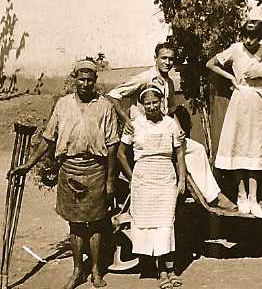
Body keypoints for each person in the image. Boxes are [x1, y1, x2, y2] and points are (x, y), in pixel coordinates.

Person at [8, 60, 118, 289]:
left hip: (95, 170)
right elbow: (49, 138)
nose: (85, 84)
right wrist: (27, 165)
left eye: (90, 79)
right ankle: (78, 271)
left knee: (96, 223)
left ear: (95, 81)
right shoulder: (63, 104)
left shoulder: (105, 106)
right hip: (69, 170)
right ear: (74, 79)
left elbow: (113, 146)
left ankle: (96, 270)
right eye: (81, 79)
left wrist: (109, 181)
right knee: (76, 224)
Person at [107, 43, 236, 211]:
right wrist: (126, 120)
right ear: (156, 59)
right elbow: (114, 94)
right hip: (144, 137)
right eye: (164, 58)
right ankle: (211, 196)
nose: (167, 62)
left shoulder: (168, 83)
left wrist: (179, 129)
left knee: (196, 149)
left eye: (171, 59)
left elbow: (170, 110)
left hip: (164, 131)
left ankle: (213, 196)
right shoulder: (145, 78)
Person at [118, 84, 187, 288]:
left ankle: (171, 268)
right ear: (141, 105)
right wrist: (132, 178)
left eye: (155, 102)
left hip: (165, 176)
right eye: (147, 104)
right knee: (149, 224)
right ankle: (161, 271)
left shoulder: (170, 124)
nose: (151, 107)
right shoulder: (134, 125)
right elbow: (121, 154)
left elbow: (180, 153)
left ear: (162, 103)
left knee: (165, 223)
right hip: (143, 178)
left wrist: (181, 179)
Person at [207, 20, 262, 217]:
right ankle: (242, 195)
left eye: (252, 37)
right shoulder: (236, 49)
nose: (248, 41)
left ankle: (254, 198)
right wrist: (230, 77)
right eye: (245, 36)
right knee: (238, 145)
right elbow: (210, 64)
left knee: (254, 147)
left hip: (257, 101)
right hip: (240, 100)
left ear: (260, 36)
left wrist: (261, 73)